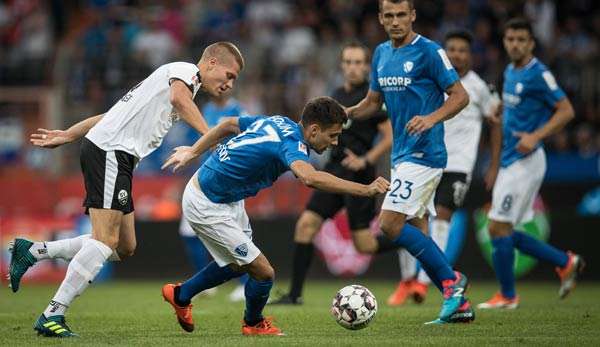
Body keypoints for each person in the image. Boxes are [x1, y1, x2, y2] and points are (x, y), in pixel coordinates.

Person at [8, 42, 245, 337]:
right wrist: (212, 138)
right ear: (210, 62)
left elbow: (113, 114)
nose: (229, 83)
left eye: (234, 79)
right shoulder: (185, 73)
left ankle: (31, 251)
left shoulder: (174, 82)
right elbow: (179, 100)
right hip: (110, 151)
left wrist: (70, 133)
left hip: (117, 156)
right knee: (104, 240)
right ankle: (52, 314)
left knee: (124, 246)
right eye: (229, 74)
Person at [160, 97, 390, 336]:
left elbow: (228, 124)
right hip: (206, 202)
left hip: (226, 197)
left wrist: (193, 151)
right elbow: (310, 178)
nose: (335, 142)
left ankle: (181, 295)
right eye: (332, 135)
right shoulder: (292, 143)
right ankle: (254, 323)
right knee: (263, 272)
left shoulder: (279, 122)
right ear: (313, 130)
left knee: (239, 266)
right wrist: (365, 189)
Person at [346, 0, 471, 324]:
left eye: (402, 15)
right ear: (381, 18)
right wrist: (345, 114)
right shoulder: (380, 54)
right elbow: (373, 102)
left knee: (389, 224)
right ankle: (455, 297)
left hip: (425, 154)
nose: (396, 21)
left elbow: (460, 96)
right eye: (389, 15)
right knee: (417, 231)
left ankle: (451, 281)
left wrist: (431, 118)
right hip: (401, 157)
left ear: (413, 16)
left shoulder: (429, 51)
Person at [270, 42, 393, 305]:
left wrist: (366, 159)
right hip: (334, 169)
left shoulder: (371, 98)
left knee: (365, 245)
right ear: (342, 66)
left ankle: (412, 241)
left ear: (367, 67)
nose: (353, 68)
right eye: (348, 62)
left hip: (359, 174)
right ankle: (294, 295)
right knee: (305, 225)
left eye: (358, 62)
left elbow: (389, 135)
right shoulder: (336, 94)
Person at [389, 30, 502, 306]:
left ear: (470, 55)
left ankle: (429, 282)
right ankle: (409, 280)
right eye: (451, 49)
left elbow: (496, 124)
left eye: (462, 50)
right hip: (422, 159)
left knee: (442, 216)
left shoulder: (480, 88)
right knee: (405, 218)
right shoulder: (433, 79)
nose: (456, 54)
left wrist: (495, 164)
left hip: (458, 165)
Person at [478, 18, 583, 309]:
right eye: (510, 39)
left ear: (531, 43)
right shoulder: (511, 70)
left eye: (521, 40)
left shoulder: (539, 73)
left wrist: (536, 136)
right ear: (504, 42)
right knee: (505, 229)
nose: (515, 44)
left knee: (497, 227)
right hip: (511, 161)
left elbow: (566, 110)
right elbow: (516, 111)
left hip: (525, 161)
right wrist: (501, 112)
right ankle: (566, 262)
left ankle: (508, 296)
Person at [177, 93, 250, 302]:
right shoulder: (207, 110)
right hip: (207, 176)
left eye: (230, 81)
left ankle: (245, 284)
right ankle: (206, 285)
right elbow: (202, 141)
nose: (224, 87)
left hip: (227, 177)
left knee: (234, 235)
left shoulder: (238, 111)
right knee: (188, 232)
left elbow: (248, 139)